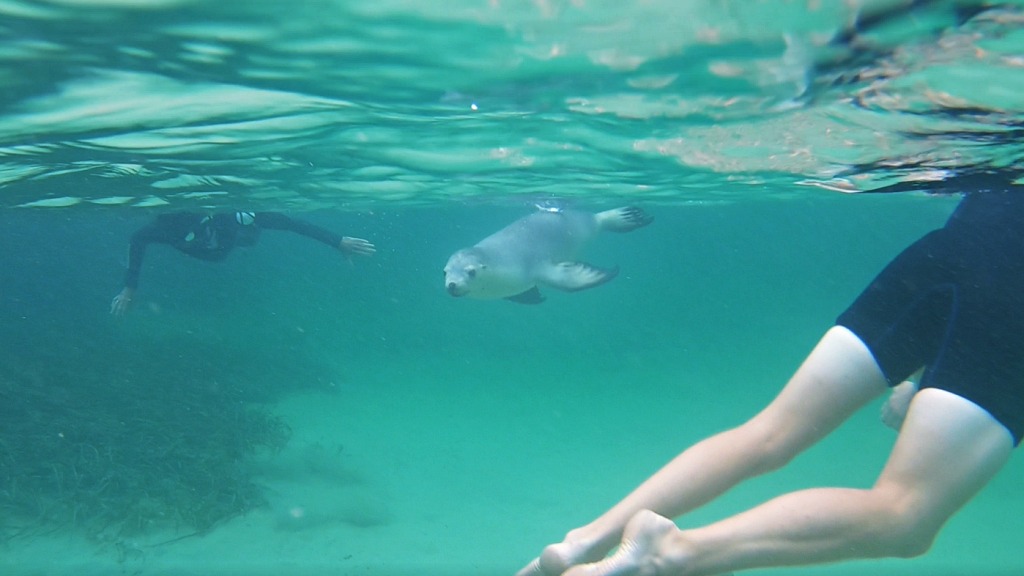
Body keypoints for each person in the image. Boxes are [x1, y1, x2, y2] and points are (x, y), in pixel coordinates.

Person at [517, 188, 1023, 576]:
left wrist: (920, 375)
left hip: (959, 246)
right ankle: (670, 554)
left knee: (770, 433)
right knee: (906, 514)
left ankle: (584, 541)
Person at [110, 210, 376, 315]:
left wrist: (337, 241)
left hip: (227, 242)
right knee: (236, 237)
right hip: (209, 252)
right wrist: (129, 289)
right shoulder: (162, 229)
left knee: (248, 230)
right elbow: (137, 240)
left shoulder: (229, 217)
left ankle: (247, 235)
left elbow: (288, 223)